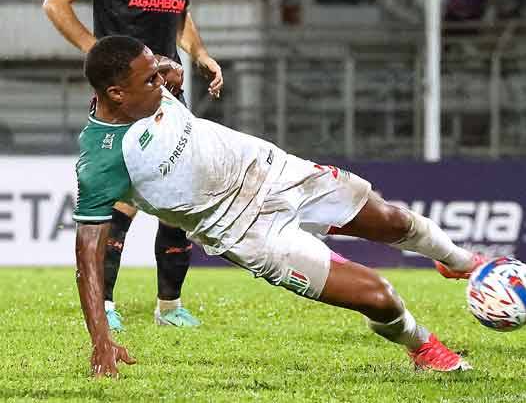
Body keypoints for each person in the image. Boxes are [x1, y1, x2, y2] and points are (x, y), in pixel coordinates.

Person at [74, 36, 488, 378]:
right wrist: (100, 339)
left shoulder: (149, 83)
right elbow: (88, 257)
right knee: (379, 298)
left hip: (271, 169)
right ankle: (421, 346)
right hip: (245, 231)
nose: (161, 83)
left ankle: (461, 262)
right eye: (150, 80)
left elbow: (167, 70)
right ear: (116, 93)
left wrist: (169, 67)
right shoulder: (102, 162)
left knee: (393, 220)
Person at [42, 0, 224, 331]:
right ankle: (103, 304)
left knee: (179, 205)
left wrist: (201, 54)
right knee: (119, 204)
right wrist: (99, 54)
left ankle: (170, 307)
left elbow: (179, 15)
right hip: (124, 100)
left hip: (169, 100)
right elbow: (55, 3)